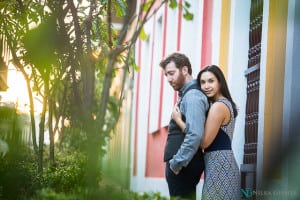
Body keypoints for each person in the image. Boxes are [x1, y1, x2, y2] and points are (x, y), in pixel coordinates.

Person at [172, 65, 240, 200]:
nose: (206, 86)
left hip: (220, 166)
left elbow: (203, 143)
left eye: (211, 81)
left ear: (220, 82)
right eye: (202, 82)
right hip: (219, 164)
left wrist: (179, 121)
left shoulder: (218, 106)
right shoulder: (222, 103)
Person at [159, 52, 209, 199]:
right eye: (166, 75)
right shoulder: (187, 94)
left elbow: (195, 134)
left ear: (185, 70)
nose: (168, 79)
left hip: (182, 168)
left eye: (171, 73)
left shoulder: (192, 96)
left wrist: (176, 164)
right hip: (182, 168)